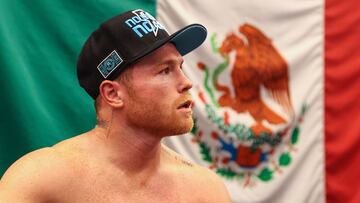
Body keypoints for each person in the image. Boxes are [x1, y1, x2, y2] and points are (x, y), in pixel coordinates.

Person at [0, 9, 232, 202]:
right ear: (112, 94)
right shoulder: (41, 179)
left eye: (180, 67)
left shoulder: (204, 191)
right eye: (164, 70)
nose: (186, 83)